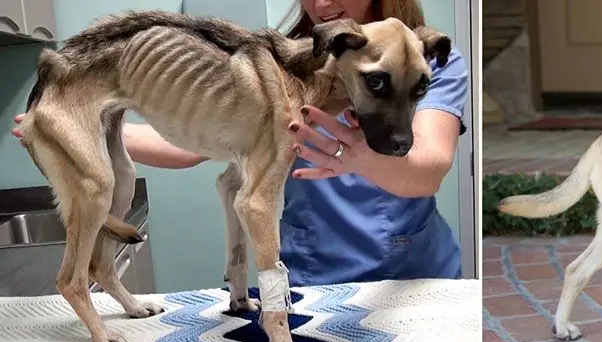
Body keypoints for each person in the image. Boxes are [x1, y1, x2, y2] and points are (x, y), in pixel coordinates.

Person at [10, 0, 469, 287]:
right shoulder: (286, 61)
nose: (322, 2)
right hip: (311, 275)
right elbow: (200, 144)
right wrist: (90, 133)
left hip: (405, 276)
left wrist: (359, 155)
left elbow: (428, 167)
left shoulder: (428, 62)